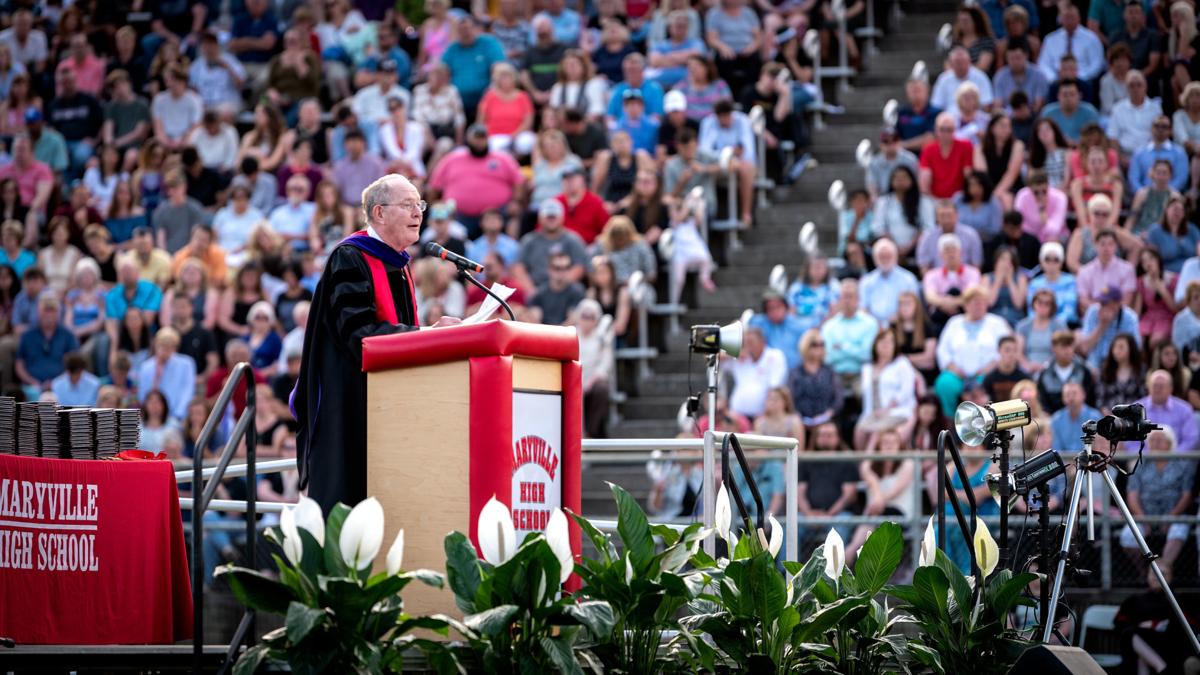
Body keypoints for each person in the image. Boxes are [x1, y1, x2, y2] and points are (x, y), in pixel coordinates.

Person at [293, 175, 460, 511]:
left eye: (420, 205)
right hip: (350, 404)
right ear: (380, 213)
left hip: (386, 404)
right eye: (408, 204)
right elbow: (359, 334)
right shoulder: (351, 258)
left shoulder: (398, 265)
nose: (418, 213)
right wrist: (427, 335)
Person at [1122, 427, 1194, 586]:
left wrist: (1172, 516)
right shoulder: (1140, 463)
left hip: (1173, 514)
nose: (1155, 444)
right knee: (1127, 536)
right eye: (1152, 440)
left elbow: (1187, 495)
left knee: (1179, 530)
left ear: (1170, 444)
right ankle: (1145, 572)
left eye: (1160, 440)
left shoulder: (1182, 464)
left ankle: (1164, 570)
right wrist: (1142, 518)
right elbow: (1132, 494)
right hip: (1144, 514)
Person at [933, 285, 1011, 415]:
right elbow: (943, 350)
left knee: (989, 384)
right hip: (957, 375)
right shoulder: (954, 323)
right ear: (966, 305)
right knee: (944, 384)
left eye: (982, 303)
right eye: (974, 303)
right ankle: (953, 419)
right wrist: (953, 368)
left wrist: (990, 367)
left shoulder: (997, 323)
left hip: (986, 373)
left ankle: (988, 420)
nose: (978, 306)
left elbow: (1006, 348)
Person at [844, 429, 915, 565]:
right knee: (871, 520)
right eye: (885, 443)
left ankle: (850, 552)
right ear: (878, 446)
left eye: (894, 443)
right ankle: (852, 552)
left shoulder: (908, 464)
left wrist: (878, 500)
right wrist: (876, 488)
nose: (889, 446)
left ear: (900, 446)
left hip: (900, 514)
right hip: (873, 514)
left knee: (873, 520)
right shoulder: (870, 466)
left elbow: (896, 490)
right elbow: (865, 467)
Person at [797, 422, 858, 547]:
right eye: (822, 435)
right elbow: (799, 493)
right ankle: (785, 567)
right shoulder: (805, 460)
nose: (825, 438)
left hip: (839, 515)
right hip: (808, 515)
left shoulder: (846, 460)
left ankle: (834, 567)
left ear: (837, 438)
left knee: (842, 524)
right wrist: (809, 514)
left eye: (829, 435)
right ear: (816, 438)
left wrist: (829, 515)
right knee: (788, 525)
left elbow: (849, 495)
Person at [820, 278, 878, 395]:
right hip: (835, 373)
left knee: (866, 392)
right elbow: (828, 357)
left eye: (850, 296)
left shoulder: (870, 323)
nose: (847, 300)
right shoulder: (829, 326)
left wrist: (842, 347)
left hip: (861, 373)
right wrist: (855, 348)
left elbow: (867, 354)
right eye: (844, 296)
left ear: (858, 299)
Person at [16, 294, 78, 401]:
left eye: (52, 310)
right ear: (39, 312)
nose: (49, 315)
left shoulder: (68, 336)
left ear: (58, 313)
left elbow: (73, 365)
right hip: (32, 387)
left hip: (60, 386)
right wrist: (33, 382)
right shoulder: (27, 335)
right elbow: (19, 365)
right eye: (46, 310)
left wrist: (56, 383)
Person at [725, 326, 786, 420]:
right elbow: (711, 357)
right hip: (738, 414)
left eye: (751, 342)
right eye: (746, 343)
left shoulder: (775, 356)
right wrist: (734, 352)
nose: (748, 347)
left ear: (762, 342)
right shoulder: (740, 357)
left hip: (763, 416)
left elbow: (775, 387)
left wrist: (767, 412)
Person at [859, 239, 920, 325]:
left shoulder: (908, 279)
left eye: (888, 256)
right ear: (874, 259)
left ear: (896, 256)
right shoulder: (866, 281)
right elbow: (863, 309)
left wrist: (898, 319)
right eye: (881, 256)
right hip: (873, 328)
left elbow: (915, 308)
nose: (885, 259)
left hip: (901, 326)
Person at [1036, 330, 1096, 413]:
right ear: (1053, 348)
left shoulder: (1084, 370)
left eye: (1070, 345)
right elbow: (1043, 404)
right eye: (1063, 346)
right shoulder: (1045, 374)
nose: (1068, 350)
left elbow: (1091, 399)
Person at [1077, 228, 1136, 312]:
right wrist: (1100, 311)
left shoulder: (1127, 269)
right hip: (1093, 313)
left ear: (1116, 246)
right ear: (1095, 245)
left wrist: (1110, 311)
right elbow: (1083, 300)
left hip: (1118, 314)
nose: (1106, 248)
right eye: (1102, 244)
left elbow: (1126, 300)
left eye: (1110, 244)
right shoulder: (1084, 271)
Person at [919, 112, 975, 199]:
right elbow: (924, 179)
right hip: (934, 199)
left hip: (959, 198)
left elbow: (968, 174)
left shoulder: (966, 146)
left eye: (949, 130)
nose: (945, 134)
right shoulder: (928, 150)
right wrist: (929, 199)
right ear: (936, 130)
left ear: (954, 130)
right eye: (942, 129)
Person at [1096, 333, 1145, 415]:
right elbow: (1100, 396)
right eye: (1114, 347)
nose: (1116, 351)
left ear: (1131, 349)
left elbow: (1143, 396)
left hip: (1133, 418)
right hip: (1110, 418)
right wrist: (1104, 410)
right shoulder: (1105, 370)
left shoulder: (1141, 370)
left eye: (1121, 347)